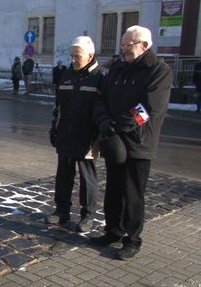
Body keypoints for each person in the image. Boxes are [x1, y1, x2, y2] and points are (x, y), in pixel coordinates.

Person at [91, 25, 172, 260]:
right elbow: (100, 99)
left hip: (139, 143)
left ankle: (132, 238)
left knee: (133, 193)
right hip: (114, 141)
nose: (124, 49)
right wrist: (103, 121)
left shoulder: (159, 71)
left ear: (144, 46)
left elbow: (148, 109)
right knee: (114, 190)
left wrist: (117, 124)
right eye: (123, 44)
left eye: (129, 45)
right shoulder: (117, 69)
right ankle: (112, 231)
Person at [46, 36, 103, 232]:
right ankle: (62, 211)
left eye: (77, 56)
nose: (73, 60)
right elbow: (58, 107)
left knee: (87, 178)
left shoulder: (100, 77)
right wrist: (54, 128)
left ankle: (88, 216)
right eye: (71, 56)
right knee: (63, 175)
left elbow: (103, 110)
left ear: (89, 56)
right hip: (66, 134)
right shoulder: (67, 75)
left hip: (88, 138)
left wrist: (98, 137)